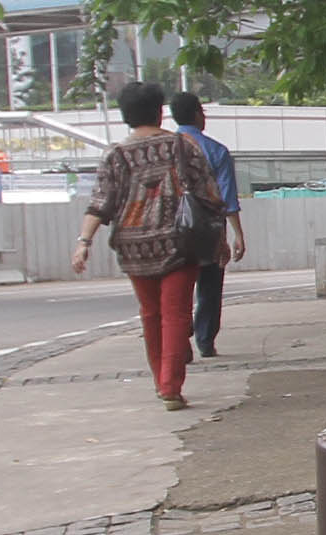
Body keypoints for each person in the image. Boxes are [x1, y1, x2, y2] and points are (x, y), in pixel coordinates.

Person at [75, 81, 225, 411]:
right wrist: (221, 240)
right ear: (160, 112)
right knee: (175, 314)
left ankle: (161, 381)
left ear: (126, 116)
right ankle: (170, 386)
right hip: (179, 243)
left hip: (133, 246)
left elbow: (100, 202)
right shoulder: (183, 147)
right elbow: (210, 196)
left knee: (150, 314)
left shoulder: (115, 155)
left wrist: (84, 242)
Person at [167, 91, 246, 357]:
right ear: (198, 114)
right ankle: (204, 339)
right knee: (209, 286)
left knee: (178, 286)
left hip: (173, 230)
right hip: (210, 230)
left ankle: (180, 336)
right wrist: (237, 235)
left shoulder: (165, 149)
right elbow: (227, 198)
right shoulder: (216, 151)